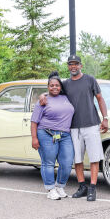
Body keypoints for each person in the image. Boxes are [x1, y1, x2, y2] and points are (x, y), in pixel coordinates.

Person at [40, 55, 108, 201]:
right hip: (73, 127)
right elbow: (54, 90)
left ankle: (92, 188)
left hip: (91, 124)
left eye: (76, 64)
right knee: (77, 159)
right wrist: (42, 94)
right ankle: (82, 186)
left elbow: (100, 98)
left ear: (81, 66)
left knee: (94, 157)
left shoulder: (90, 80)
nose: (73, 67)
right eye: (71, 64)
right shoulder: (65, 84)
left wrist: (105, 118)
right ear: (68, 66)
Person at [31, 71, 75, 200]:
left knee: (67, 162)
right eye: (51, 85)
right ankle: (50, 189)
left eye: (57, 85)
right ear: (48, 87)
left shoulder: (66, 97)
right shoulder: (43, 100)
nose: (54, 87)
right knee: (48, 162)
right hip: (46, 133)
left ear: (61, 87)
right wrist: (34, 138)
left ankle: (60, 186)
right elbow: (34, 121)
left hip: (65, 135)